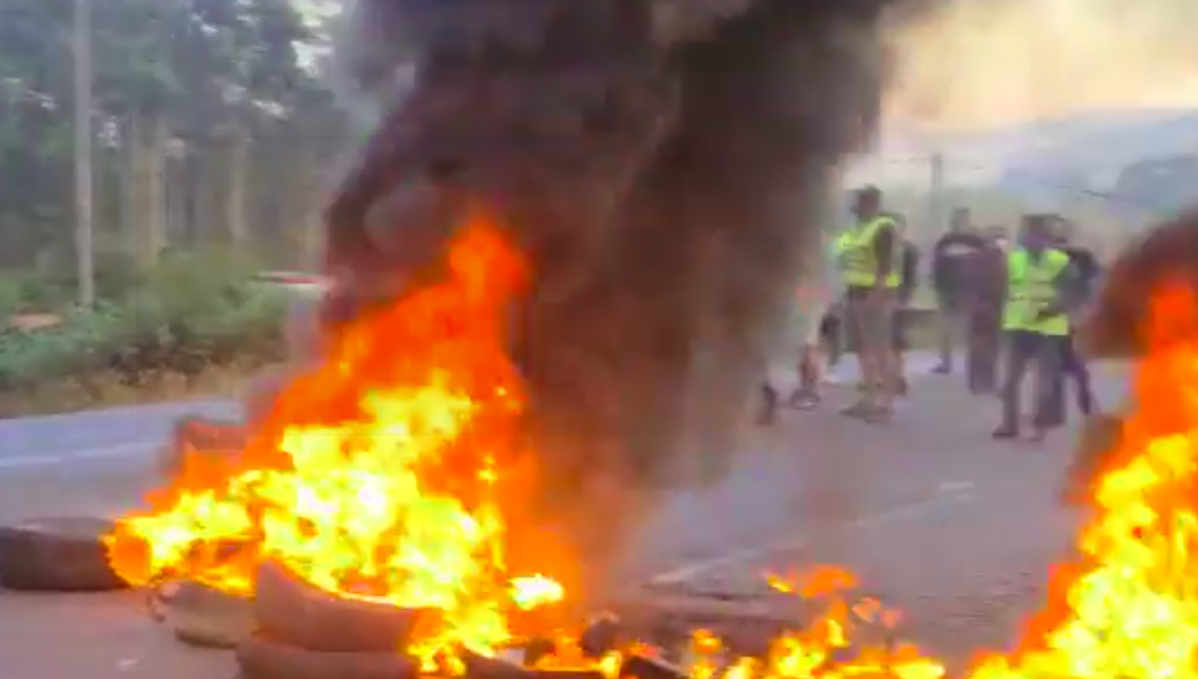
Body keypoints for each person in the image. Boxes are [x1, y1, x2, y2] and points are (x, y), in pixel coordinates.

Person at [994, 214, 1077, 442]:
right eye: (1026, 235)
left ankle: (1040, 425)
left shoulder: (1059, 262)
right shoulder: (1012, 260)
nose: (1030, 240)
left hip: (1048, 327)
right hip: (1017, 325)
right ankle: (1009, 424)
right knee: (1010, 379)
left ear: (1045, 238)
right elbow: (1002, 292)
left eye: (1034, 235)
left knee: (1045, 381)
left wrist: (1054, 307)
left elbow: (1072, 294)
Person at [837, 186, 902, 421]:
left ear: (871, 204)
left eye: (861, 204)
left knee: (881, 349)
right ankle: (868, 399)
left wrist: (875, 297)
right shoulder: (859, 229)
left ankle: (886, 403)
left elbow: (885, 268)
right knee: (863, 351)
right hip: (855, 293)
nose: (857, 209)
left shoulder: (882, 228)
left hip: (875, 295)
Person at [1049, 217, 1100, 420]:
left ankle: (1082, 396)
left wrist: (1087, 308)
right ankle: (1055, 410)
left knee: (1068, 360)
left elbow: (1094, 282)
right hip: (1053, 314)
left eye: (1062, 230)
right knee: (1058, 363)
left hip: (1073, 313)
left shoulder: (1082, 256)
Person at [931, 208, 989, 375]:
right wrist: (937, 284)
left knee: (971, 328)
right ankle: (945, 362)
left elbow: (986, 264)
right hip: (946, 289)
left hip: (969, 290)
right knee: (945, 327)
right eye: (956, 219)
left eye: (962, 219)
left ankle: (975, 363)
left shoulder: (976, 241)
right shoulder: (945, 241)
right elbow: (937, 264)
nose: (959, 222)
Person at [962, 226, 1008, 395]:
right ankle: (987, 382)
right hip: (991, 305)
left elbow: (966, 282)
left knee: (979, 345)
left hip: (978, 306)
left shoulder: (973, 258)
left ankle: (977, 382)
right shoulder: (997, 259)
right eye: (1000, 238)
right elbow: (1002, 283)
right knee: (989, 346)